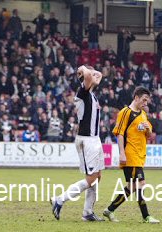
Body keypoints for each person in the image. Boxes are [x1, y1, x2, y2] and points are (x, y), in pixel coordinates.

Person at [51, 66, 105, 221]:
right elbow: (88, 74)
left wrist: (93, 72)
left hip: (94, 139)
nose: (95, 74)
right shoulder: (84, 91)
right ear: (85, 78)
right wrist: (83, 69)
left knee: (97, 176)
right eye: (91, 74)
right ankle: (59, 199)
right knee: (91, 178)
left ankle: (88, 212)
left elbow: (100, 75)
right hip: (87, 140)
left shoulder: (91, 93)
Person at [103, 86, 160, 224]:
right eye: (144, 100)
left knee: (132, 187)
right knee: (140, 183)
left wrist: (147, 129)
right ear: (136, 98)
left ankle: (110, 210)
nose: (146, 103)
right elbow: (120, 133)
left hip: (140, 155)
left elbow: (148, 136)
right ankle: (146, 216)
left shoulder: (143, 114)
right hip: (130, 154)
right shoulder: (125, 112)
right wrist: (122, 153)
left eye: (147, 101)